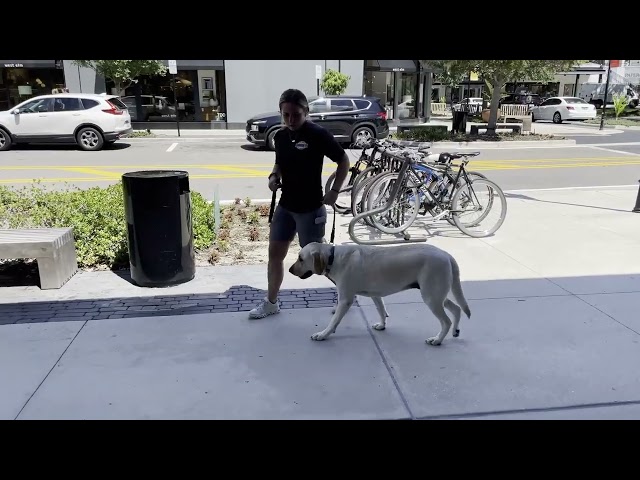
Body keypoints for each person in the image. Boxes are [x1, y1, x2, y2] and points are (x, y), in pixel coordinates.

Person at [248, 88, 350, 319]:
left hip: (310, 209)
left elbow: (343, 160)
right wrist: (273, 177)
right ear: (281, 113)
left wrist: (335, 190)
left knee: (321, 262)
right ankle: (271, 302)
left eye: (296, 115)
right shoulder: (280, 137)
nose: (291, 120)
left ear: (306, 112)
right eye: (286, 115)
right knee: (275, 254)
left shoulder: (318, 134)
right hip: (285, 207)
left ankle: (345, 297)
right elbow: (279, 165)